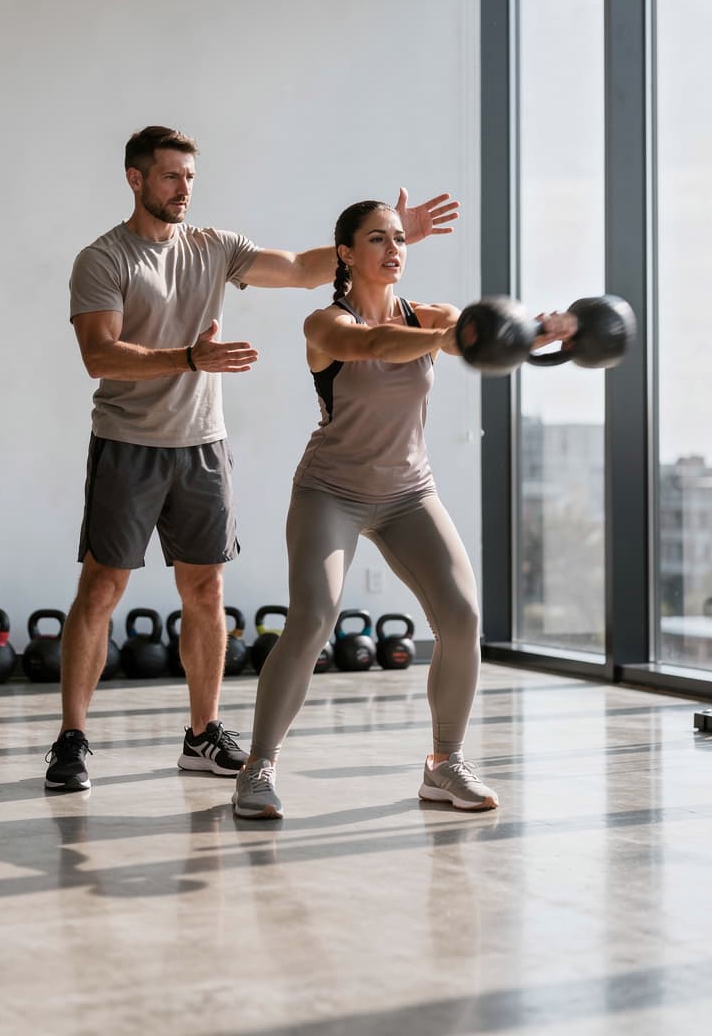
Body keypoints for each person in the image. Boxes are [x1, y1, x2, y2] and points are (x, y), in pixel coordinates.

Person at [44, 127, 460, 792]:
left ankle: (202, 735)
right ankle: (72, 737)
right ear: (136, 179)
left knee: (206, 590)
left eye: (190, 177)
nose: (184, 188)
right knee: (101, 589)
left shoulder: (214, 248)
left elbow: (298, 269)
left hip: (202, 445)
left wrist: (385, 237)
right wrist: (186, 358)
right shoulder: (103, 259)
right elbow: (99, 353)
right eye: (171, 176)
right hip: (127, 445)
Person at [231, 199, 577, 819]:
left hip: (408, 493)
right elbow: (378, 345)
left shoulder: (434, 315)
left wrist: (547, 334)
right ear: (345, 253)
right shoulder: (323, 324)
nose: (393, 249)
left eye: (399, 238)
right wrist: (451, 337)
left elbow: (491, 341)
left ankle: (444, 765)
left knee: (463, 616)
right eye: (376, 239)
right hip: (330, 490)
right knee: (312, 618)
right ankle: (258, 768)